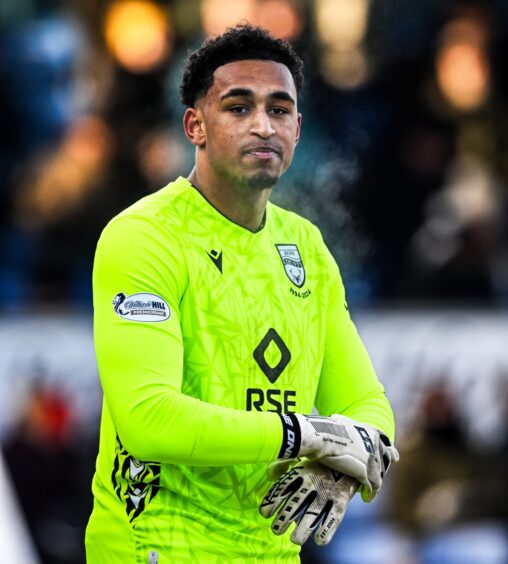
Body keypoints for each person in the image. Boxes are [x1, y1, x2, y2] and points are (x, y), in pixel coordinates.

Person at [85, 24, 397, 563]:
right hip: (157, 548)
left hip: (268, 553)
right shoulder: (143, 237)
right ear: (195, 125)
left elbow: (367, 406)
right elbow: (149, 420)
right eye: (238, 107)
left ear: (298, 129)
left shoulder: (306, 247)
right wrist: (305, 436)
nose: (262, 125)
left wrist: (341, 467)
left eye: (279, 110)